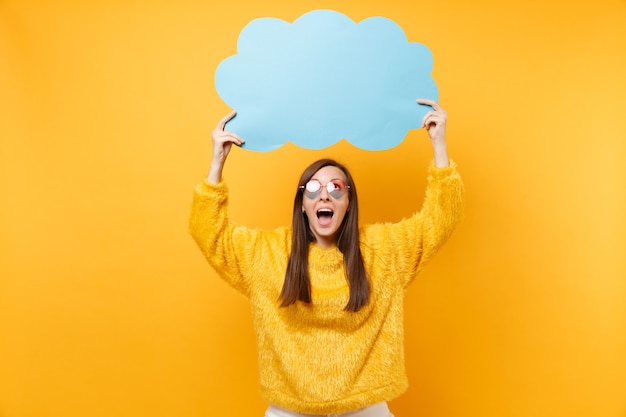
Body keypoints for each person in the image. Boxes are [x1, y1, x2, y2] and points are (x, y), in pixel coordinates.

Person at [189, 99, 464, 417]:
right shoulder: (267, 255)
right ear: (302, 204)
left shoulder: (384, 251)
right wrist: (216, 163)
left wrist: (439, 145)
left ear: (349, 202)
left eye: (336, 188)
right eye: (313, 189)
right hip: (289, 410)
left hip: (365, 408)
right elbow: (210, 234)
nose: (324, 195)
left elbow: (440, 220)